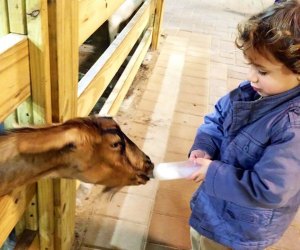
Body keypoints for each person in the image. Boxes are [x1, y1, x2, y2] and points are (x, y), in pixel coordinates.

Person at [188, 1, 300, 249]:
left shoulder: (293, 128)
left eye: (262, 70)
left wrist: (212, 173)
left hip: (241, 230)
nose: (251, 77)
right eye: (251, 66)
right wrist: (204, 145)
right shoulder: (252, 92)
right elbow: (218, 118)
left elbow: (269, 189)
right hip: (214, 206)